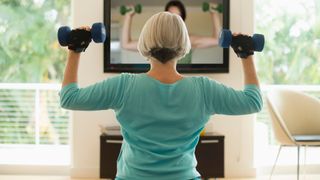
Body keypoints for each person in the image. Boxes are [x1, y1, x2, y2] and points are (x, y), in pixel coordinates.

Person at [60, 12, 262, 180]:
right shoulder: (204, 89)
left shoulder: (123, 85)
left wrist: (75, 49)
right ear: (183, 45)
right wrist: (246, 54)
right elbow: (253, 102)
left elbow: (69, 98)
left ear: (145, 42)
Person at [121, 0, 222, 63]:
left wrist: (214, 13)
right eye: (170, 16)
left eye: (177, 17)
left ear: (182, 20)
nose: (173, 21)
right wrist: (128, 16)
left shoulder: (188, 40)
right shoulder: (156, 40)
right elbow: (126, 44)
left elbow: (218, 40)